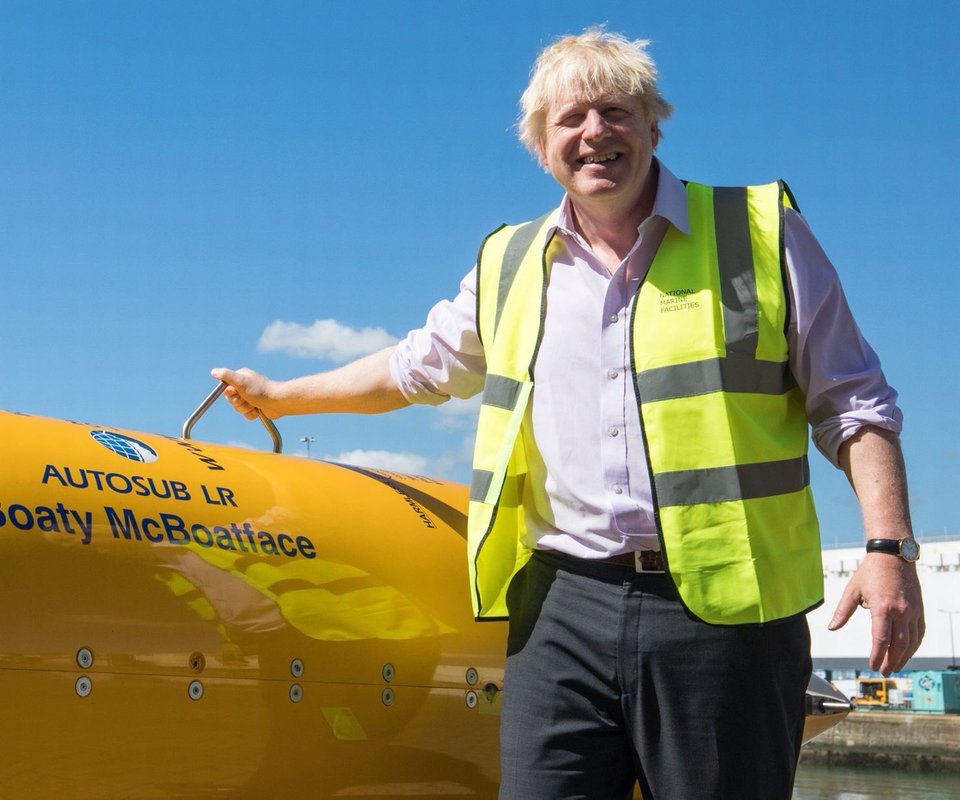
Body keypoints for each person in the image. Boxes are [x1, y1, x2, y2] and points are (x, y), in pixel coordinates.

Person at [212, 27, 925, 800]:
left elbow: (854, 401)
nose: (594, 133)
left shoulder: (759, 234)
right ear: (540, 146)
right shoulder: (510, 264)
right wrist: (279, 395)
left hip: (726, 620)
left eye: (615, 112)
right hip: (561, 608)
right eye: (570, 118)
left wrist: (888, 549)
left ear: (654, 125)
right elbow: (410, 368)